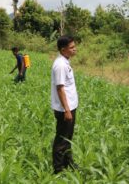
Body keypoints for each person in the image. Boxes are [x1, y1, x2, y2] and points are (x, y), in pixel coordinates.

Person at [51, 36, 79, 174]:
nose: (75, 49)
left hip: (70, 107)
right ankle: (58, 169)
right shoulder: (60, 65)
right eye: (72, 47)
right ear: (63, 50)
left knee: (68, 138)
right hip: (64, 109)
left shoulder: (65, 62)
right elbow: (60, 88)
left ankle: (68, 163)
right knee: (62, 139)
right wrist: (67, 110)